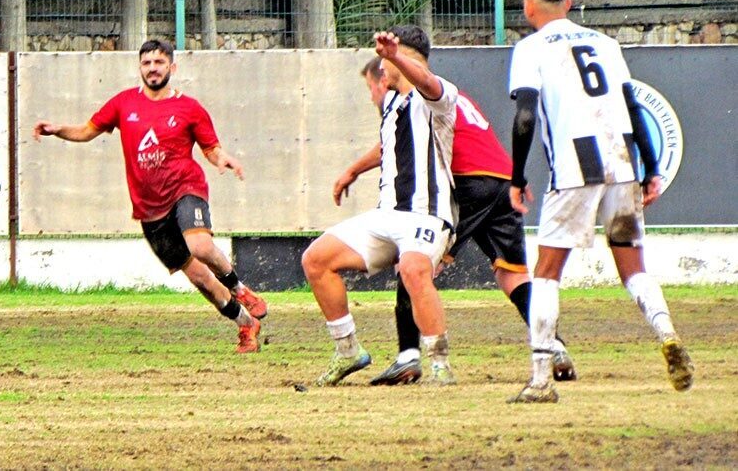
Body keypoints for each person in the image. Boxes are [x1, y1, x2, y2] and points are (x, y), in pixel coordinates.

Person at [506, 0, 694, 403]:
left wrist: (517, 177)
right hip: (623, 163)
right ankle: (666, 332)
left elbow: (526, 116)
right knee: (634, 269)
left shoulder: (530, 48)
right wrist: (651, 169)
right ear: (569, 3)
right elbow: (632, 108)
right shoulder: (606, 44)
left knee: (546, 274)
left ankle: (540, 380)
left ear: (528, 7)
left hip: (576, 167)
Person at [333, 57, 576, 385]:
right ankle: (554, 346)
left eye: (371, 88)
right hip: (501, 181)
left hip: (465, 183)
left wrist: (351, 170)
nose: (373, 96)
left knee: (413, 260)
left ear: (384, 77)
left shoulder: (419, 98)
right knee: (512, 275)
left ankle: (408, 356)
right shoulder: (451, 94)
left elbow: (392, 146)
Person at [33, 39, 268, 353]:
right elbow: (87, 131)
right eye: (147, 63)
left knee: (200, 245)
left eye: (159, 62)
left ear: (172, 67)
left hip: (185, 188)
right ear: (140, 68)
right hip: (149, 209)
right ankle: (245, 324)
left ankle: (239, 288)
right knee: (199, 278)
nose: (153, 69)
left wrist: (222, 158)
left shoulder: (189, 108)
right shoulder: (123, 103)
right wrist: (58, 129)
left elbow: (211, 148)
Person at [301, 26, 458, 387]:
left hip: (427, 215)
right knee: (315, 259)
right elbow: (389, 145)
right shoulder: (391, 104)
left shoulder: (440, 94)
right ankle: (348, 351)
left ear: (404, 57)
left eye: (386, 60)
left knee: (413, 269)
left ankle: (439, 363)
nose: (381, 67)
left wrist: (394, 56)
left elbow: (426, 82)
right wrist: (352, 171)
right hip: (387, 214)